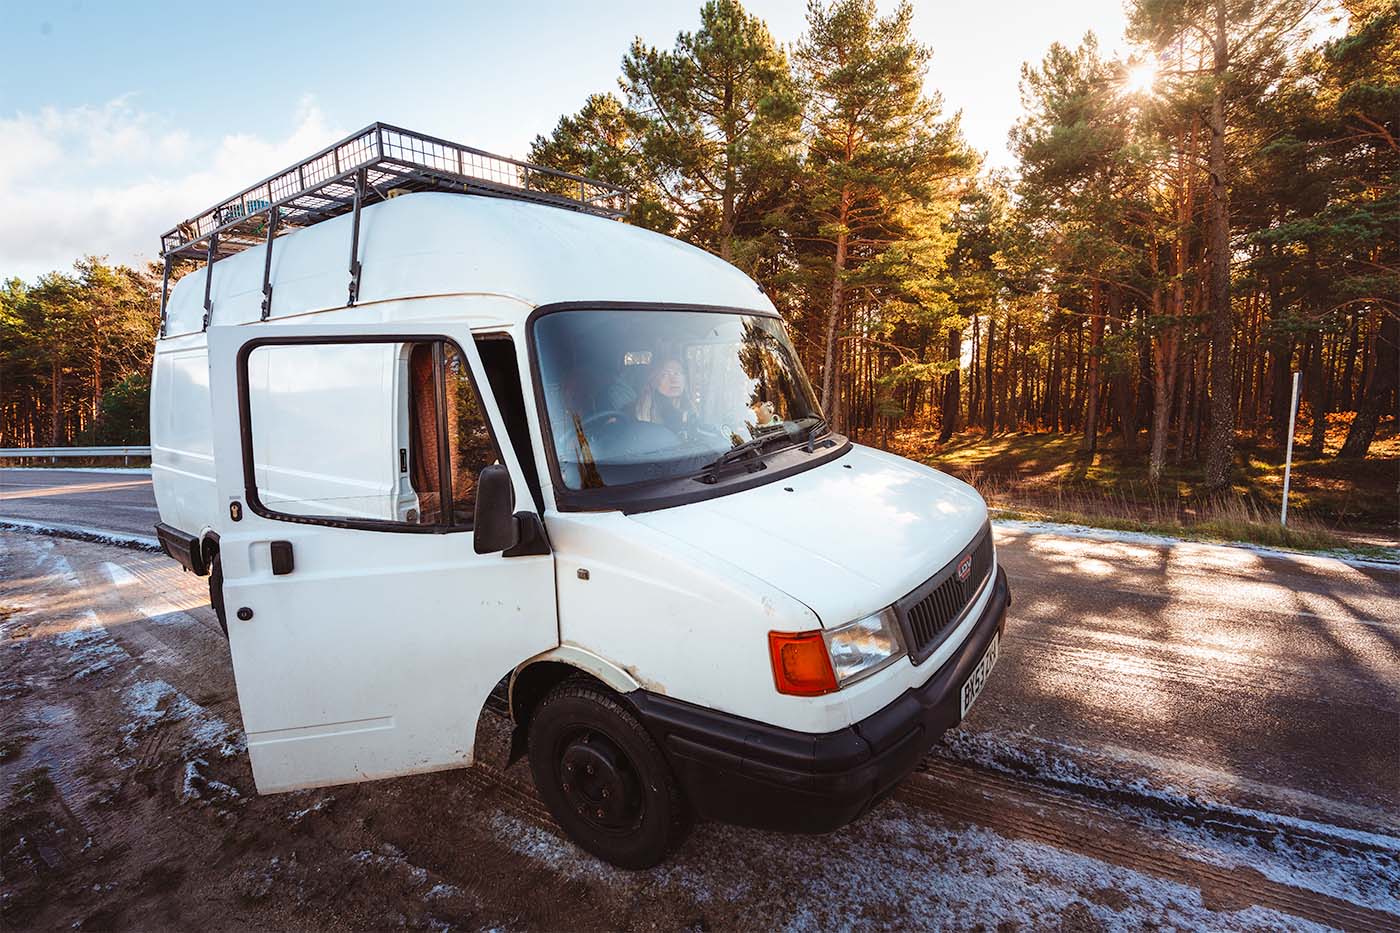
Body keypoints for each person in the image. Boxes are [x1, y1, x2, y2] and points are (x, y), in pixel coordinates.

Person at [634, 358, 695, 434]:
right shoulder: (635, 410)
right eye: (665, 374)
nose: (674, 379)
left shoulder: (690, 407)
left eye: (677, 373)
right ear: (654, 381)